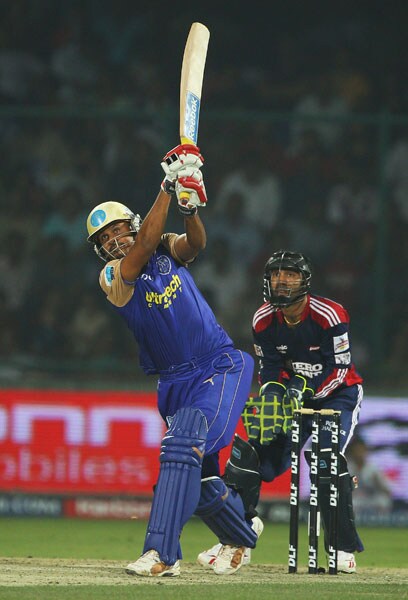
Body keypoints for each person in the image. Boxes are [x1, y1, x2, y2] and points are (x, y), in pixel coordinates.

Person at [85, 143, 263, 578]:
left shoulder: (164, 244)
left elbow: (196, 243)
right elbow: (143, 245)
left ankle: (162, 554)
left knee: (181, 445)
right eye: (103, 240)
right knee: (195, 480)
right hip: (173, 382)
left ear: (132, 223)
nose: (112, 241)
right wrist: (168, 185)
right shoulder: (112, 276)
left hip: (219, 363)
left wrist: (189, 205)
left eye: (116, 231)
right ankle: (242, 537)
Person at [198, 249, 364, 573]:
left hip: (339, 396)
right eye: (276, 274)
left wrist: (306, 390)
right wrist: (272, 394)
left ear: (305, 281)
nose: (282, 280)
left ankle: (341, 548)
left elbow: (340, 369)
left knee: (325, 458)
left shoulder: (329, 314)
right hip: (294, 397)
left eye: (291, 274)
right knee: (251, 455)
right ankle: (239, 534)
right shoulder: (263, 319)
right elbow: (271, 370)